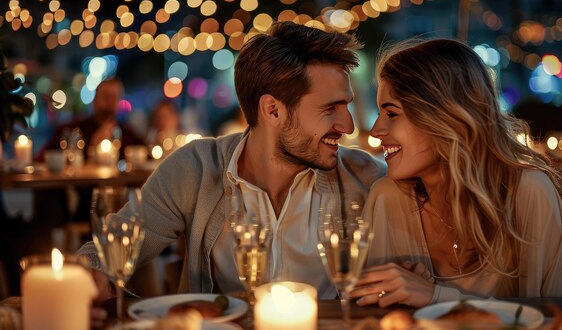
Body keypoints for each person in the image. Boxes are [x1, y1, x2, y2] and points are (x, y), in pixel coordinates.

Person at [77, 21, 386, 308]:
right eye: (331, 108)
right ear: (272, 110)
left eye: (346, 106)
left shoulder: (365, 178)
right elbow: (111, 246)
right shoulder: (196, 169)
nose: (348, 126)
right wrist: (87, 277)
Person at [350, 38, 562, 308]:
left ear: (444, 116)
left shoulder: (527, 191)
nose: (376, 130)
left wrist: (435, 297)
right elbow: (367, 314)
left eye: (391, 114)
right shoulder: (388, 197)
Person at [38, 77, 145, 162]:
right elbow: (42, 160)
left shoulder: (128, 135)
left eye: (115, 97)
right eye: (106, 96)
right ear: (94, 100)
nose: (110, 102)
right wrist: (91, 148)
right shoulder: (71, 130)